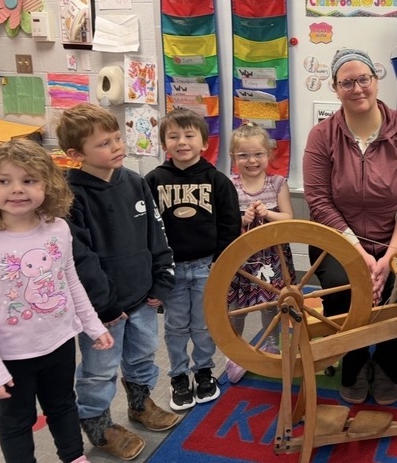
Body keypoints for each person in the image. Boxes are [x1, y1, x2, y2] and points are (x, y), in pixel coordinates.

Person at [303, 47, 397, 406]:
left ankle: (389, 368)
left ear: (376, 81)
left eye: (363, 79)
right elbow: (318, 200)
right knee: (341, 283)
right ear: (335, 87)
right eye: (347, 82)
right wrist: (358, 254)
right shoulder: (321, 136)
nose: (357, 88)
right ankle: (354, 364)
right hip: (338, 237)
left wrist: (389, 255)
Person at [56, 103, 179, 461]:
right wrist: (105, 304)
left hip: (143, 297)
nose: (117, 146)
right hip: (102, 309)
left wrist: (161, 280)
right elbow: (78, 258)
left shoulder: (137, 182)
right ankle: (98, 425)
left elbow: (156, 232)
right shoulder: (69, 196)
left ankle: (140, 404)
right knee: (100, 370)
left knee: (142, 355)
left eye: (117, 138)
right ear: (77, 154)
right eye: (104, 143)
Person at [0, 139, 114, 463]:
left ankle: (74, 456)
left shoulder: (57, 229)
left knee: (62, 404)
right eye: (4, 181)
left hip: (58, 342)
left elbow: (70, 280)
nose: (17, 189)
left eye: (28, 180)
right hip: (12, 354)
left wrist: (92, 325)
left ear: (48, 184)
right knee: (17, 420)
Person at [145, 108, 241, 410]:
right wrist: (155, 269)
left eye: (189, 135)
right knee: (175, 326)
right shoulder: (152, 180)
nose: (181, 141)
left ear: (204, 143)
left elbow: (230, 224)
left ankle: (203, 372)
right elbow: (146, 227)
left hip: (206, 267)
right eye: (173, 136)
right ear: (164, 143)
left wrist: (220, 262)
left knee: (203, 324)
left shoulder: (218, 181)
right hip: (170, 269)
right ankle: (178, 376)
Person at [224, 123, 296, 384]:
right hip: (240, 260)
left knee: (273, 306)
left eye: (258, 154)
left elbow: (289, 217)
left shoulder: (277, 183)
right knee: (236, 308)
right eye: (243, 155)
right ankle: (235, 351)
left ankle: (272, 346)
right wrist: (244, 219)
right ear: (233, 157)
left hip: (273, 257)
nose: (251, 160)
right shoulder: (228, 185)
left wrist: (268, 213)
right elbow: (224, 224)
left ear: (268, 154)